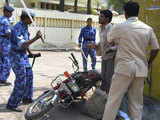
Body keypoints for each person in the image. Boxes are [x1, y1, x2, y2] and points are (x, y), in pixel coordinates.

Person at [102, 1, 159, 120]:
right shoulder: (148, 29)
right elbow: (155, 48)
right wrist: (148, 63)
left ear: (125, 13)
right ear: (137, 13)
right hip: (141, 69)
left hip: (124, 68)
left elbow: (110, 41)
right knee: (137, 103)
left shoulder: (120, 27)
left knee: (113, 100)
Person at [7, 10, 42, 112]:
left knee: (29, 75)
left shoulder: (25, 26)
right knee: (21, 79)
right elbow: (22, 44)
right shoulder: (17, 27)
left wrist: (30, 52)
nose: (33, 20)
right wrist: (36, 38)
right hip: (16, 55)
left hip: (23, 55)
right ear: (26, 18)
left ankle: (27, 97)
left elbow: (26, 43)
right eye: (32, 18)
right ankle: (12, 103)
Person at [98, 10, 117, 94]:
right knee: (103, 78)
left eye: (101, 16)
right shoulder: (100, 28)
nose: (99, 17)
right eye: (99, 15)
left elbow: (118, 45)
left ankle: (109, 98)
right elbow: (102, 41)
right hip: (104, 57)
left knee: (109, 79)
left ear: (107, 18)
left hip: (111, 58)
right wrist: (96, 45)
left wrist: (110, 49)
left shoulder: (112, 29)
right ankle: (103, 97)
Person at [0, 6, 14, 86]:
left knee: (1, 61)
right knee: (7, 61)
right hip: (5, 42)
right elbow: (8, 33)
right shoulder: (6, 21)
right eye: (10, 12)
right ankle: (3, 79)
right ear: (5, 12)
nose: (11, 14)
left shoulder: (1, 19)